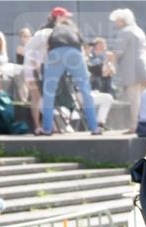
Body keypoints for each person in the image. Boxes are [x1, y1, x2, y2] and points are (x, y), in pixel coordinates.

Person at [41, 7, 101, 136]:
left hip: (55, 53)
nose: (68, 18)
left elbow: (46, 48)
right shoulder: (73, 29)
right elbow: (81, 49)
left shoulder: (50, 30)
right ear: (58, 17)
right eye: (66, 16)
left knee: (49, 92)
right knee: (85, 91)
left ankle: (47, 128)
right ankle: (94, 128)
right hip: (75, 53)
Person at [108, 8, 146, 132]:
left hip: (132, 69)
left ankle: (135, 125)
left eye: (117, 21)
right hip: (144, 67)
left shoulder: (125, 32)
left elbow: (118, 51)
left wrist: (110, 64)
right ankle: (144, 124)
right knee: (142, 98)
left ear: (123, 21)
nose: (116, 24)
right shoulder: (139, 30)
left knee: (134, 99)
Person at [22, 19, 52, 132]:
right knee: (36, 97)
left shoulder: (42, 39)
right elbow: (32, 60)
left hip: (36, 71)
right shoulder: (41, 38)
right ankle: (37, 126)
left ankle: (46, 125)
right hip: (31, 71)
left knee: (39, 98)